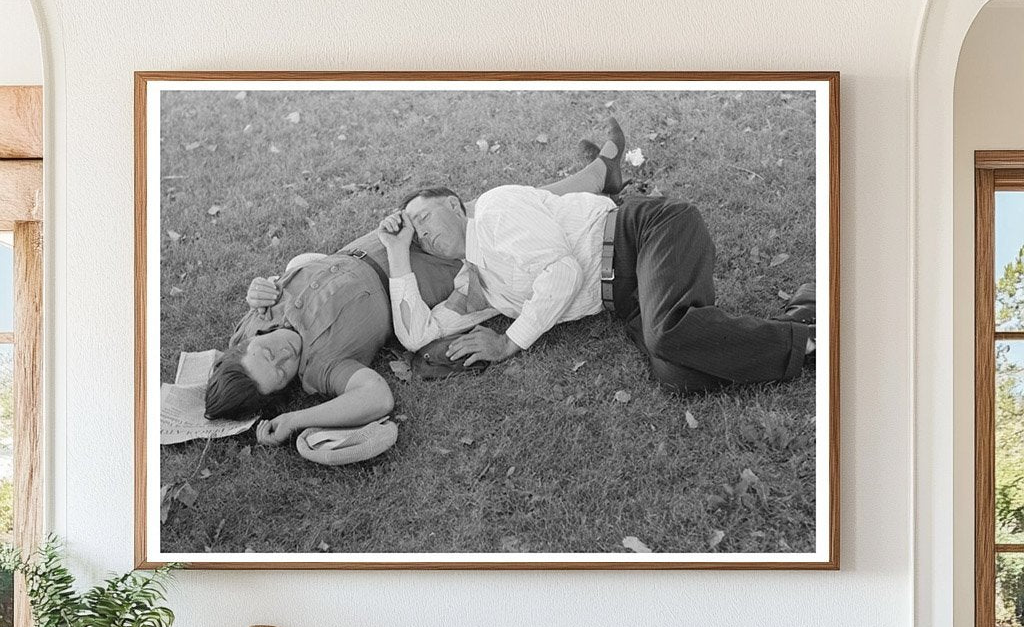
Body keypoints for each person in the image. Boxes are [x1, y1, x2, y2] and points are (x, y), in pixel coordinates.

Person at [203, 122, 627, 445]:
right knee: (495, 225)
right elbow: (377, 399)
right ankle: (603, 180)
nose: (282, 353)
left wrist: (266, 282)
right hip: (422, 271)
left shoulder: (256, 319)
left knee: (511, 205)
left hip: (380, 239)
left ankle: (600, 174)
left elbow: (303, 266)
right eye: (280, 372)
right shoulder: (322, 369)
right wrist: (298, 420)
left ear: (245, 345)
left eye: (266, 352)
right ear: (285, 389)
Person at [377, 161, 814, 393]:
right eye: (417, 236)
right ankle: (800, 317)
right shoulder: (474, 285)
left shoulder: (494, 210)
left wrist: (509, 341)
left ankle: (814, 341)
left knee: (667, 335)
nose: (425, 234)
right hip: (624, 294)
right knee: (680, 377)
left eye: (422, 217)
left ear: (454, 204)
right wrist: (398, 251)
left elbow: (562, 273)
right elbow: (417, 335)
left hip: (645, 232)